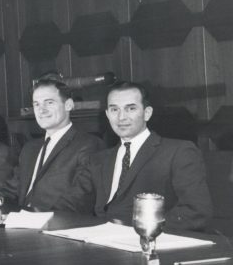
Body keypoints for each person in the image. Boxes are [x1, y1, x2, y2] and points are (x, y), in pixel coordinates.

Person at [76, 81, 212, 230]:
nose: (121, 117)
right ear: (107, 115)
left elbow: (196, 211)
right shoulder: (98, 159)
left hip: (151, 242)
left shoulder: (179, 152)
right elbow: (75, 203)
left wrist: (143, 230)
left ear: (147, 113)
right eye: (114, 110)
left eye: (131, 109)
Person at [14, 79, 103, 212]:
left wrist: (36, 218)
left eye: (49, 102)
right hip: (18, 222)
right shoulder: (29, 148)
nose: (41, 110)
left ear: (68, 105)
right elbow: (11, 189)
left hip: (56, 224)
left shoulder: (89, 144)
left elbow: (80, 197)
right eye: (36, 104)